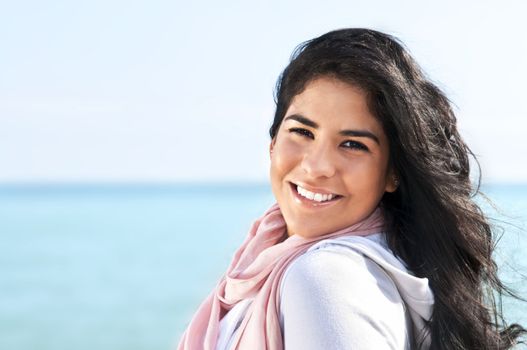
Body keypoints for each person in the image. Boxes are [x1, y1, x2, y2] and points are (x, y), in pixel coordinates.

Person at [178, 28, 526, 349]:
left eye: (353, 145)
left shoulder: (324, 278)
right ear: (273, 143)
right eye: (302, 132)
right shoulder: (268, 257)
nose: (317, 166)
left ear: (393, 173)